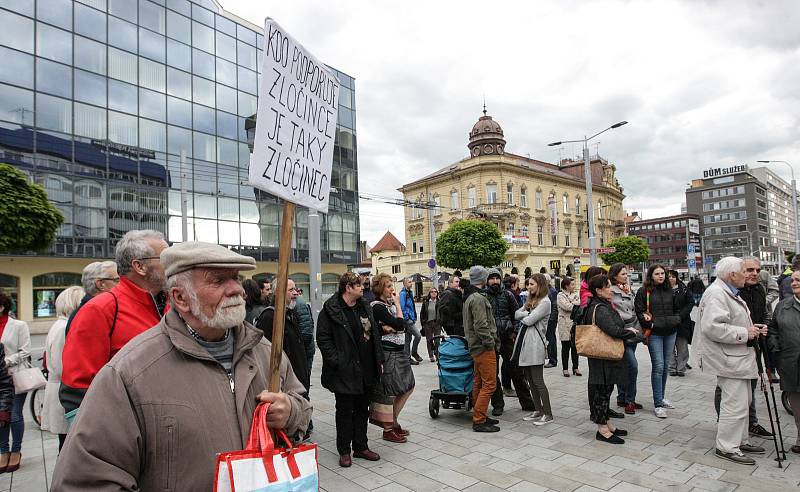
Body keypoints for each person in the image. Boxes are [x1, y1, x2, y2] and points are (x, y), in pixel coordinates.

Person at [51, 242, 312, 489]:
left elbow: (301, 406)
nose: (237, 289)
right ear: (180, 297)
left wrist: (290, 412)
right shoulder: (130, 372)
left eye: (235, 277)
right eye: (219, 280)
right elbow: (87, 478)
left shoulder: (263, 350)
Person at [60, 230, 170, 416]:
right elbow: (77, 387)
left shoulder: (174, 304)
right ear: (139, 266)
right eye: (165, 257)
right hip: (124, 426)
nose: (173, 263)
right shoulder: (101, 309)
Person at [691, 256, 766, 465]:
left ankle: (739, 440)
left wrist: (753, 329)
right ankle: (727, 446)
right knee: (734, 404)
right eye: (744, 271)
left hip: (736, 357)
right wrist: (745, 333)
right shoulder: (717, 293)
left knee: (743, 402)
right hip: (728, 358)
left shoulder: (727, 291)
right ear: (732, 275)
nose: (747, 276)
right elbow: (713, 327)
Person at [317, 272, 383, 468]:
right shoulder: (330, 310)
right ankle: (344, 451)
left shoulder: (364, 306)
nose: (363, 288)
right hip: (344, 371)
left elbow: (374, 334)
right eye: (359, 285)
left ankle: (361, 447)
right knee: (345, 411)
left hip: (366, 369)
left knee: (363, 409)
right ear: (348, 288)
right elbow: (323, 338)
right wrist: (337, 361)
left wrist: (378, 359)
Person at [712, 257, 774, 438]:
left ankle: (749, 422)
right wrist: (745, 332)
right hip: (734, 347)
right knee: (727, 388)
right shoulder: (731, 292)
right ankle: (725, 422)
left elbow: (763, 313)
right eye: (749, 270)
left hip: (754, 344)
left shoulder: (759, 289)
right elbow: (717, 325)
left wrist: (764, 326)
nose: (754, 273)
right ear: (738, 272)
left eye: (757, 269)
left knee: (751, 385)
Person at [584, 274, 636, 444]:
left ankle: (607, 423)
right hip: (602, 358)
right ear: (598, 290)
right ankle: (602, 429)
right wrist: (630, 332)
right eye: (607, 286)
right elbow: (613, 330)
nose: (610, 289)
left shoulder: (602, 304)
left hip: (605, 357)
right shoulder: (599, 308)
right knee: (601, 393)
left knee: (606, 391)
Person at [634, 264, 690, 418]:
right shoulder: (643, 291)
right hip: (655, 334)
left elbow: (680, 308)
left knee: (665, 366)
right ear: (651, 275)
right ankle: (658, 403)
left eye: (662, 273)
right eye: (657, 273)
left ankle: (661, 397)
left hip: (671, 332)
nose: (661, 276)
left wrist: (677, 319)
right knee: (658, 366)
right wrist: (649, 324)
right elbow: (639, 310)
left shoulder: (669, 290)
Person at [369, 274, 415, 444]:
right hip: (389, 354)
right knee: (391, 390)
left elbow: (397, 326)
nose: (392, 289)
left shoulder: (386, 305)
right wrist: (397, 305)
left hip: (399, 352)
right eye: (388, 286)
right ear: (381, 288)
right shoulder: (378, 306)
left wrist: (394, 324)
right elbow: (400, 325)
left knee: (408, 386)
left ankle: (393, 422)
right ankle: (389, 428)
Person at [41, 286, 84, 451]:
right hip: (62, 391)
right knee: (66, 447)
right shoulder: (63, 328)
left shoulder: (59, 325)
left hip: (59, 389)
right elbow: (62, 365)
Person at [486, 268, 534, 412]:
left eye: (497, 278)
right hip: (492, 340)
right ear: (487, 281)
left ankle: (527, 403)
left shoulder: (508, 295)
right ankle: (498, 405)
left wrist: (515, 332)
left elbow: (517, 315)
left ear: (500, 279)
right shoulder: (484, 296)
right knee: (493, 374)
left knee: (517, 372)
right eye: (492, 278)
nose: (495, 281)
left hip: (507, 338)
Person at [256, 278, 310, 397]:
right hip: (285, 387)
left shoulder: (290, 313)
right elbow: (267, 355)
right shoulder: (269, 317)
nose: (296, 293)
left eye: (295, 289)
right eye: (291, 290)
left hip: (298, 380)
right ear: (278, 292)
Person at [463, 266, 501, 432]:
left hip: (476, 347)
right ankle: (479, 420)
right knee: (490, 384)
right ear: (482, 279)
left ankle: (480, 415)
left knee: (479, 382)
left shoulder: (470, 296)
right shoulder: (478, 298)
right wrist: (490, 343)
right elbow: (480, 325)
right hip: (483, 347)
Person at [767, 269, 800, 454]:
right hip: (790, 363)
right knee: (797, 407)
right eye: (793, 280)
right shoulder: (783, 306)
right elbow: (773, 329)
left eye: (798, 280)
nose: (793, 283)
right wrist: (776, 348)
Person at [513, 274, 553, 425]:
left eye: (531, 284)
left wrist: (526, 315)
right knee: (530, 379)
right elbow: (517, 313)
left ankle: (548, 413)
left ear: (540, 285)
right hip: (526, 343)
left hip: (536, 344)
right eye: (528, 284)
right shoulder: (531, 300)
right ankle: (538, 409)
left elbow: (529, 321)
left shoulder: (545, 302)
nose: (528, 287)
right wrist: (527, 314)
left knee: (538, 380)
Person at [0, 291, 31, 472]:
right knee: (1, 416)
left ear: (2, 307)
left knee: (14, 415)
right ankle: (3, 451)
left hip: (14, 376)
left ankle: (16, 451)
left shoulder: (18, 325)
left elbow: (25, 351)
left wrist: (6, 361)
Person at [609, 263, 644, 415]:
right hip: (622, 332)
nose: (626, 276)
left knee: (625, 366)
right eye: (623, 274)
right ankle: (629, 400)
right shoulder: (610, 290)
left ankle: (622, 396)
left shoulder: (628, 289)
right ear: (615, 275)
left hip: (633, 331)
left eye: (626, 274)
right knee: (632, 366)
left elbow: (634, 308)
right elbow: (612, 312)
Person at [66, 261, 119, 333]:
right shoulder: (92, 314)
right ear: (100, 284)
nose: (120, 284)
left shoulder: (85, 311)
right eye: (116, 280)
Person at [667, 270, 694, 377]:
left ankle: (681, 368)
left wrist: (680, 316)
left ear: (676, 278)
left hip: (682, 322)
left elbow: (690, 303)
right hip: (668, 322)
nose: (671, 279)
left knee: (682, 346)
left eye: (673, 276)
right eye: (668, 277)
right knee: (669, 347)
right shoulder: (662, 290)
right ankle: (672, 368)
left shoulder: (684, 289)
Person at [556, 277, 580, 377]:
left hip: (574, 323)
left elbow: (580, 305)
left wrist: (573, 304)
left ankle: (576, 367)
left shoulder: (576, 294)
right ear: (566, 286)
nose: (574, 286)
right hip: (564, 324)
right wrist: (574, 303)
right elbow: (567, 307)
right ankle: (565, 369)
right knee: (565, 347)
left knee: (575, 347)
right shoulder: (560, 295)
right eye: (572, 284)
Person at [399, 277, 422, 364]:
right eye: (409, 282)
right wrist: (407, 317)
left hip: (411, 318)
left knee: (408, 339)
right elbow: (402, 307)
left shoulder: (410, 292)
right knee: (418, 335)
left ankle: (407, 358)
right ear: (404, 284)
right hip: (407, 320)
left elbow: (412, 305)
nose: (411, 283)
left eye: (411, 282)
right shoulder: (403, 294)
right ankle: (414, 352)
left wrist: (414, 316)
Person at [294, 291, 316, 377]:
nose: (295, 293)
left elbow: (307, 332)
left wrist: (299, 350)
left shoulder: (299, 304)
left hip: (304, 352)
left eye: (293, 289)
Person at [420, 288, 442, 362]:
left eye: (435, 292)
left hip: (437, 323)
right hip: (428, 324)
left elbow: (442, 312)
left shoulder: (439, 302)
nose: (433, 293)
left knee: (437, 340)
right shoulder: (426, 302)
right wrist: (423, 323)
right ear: (429, 293)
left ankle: (437, 355)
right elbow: (422, 313)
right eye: (432, 292)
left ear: (437, 293)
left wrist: (441, 321)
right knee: (429, 340)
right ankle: (431, 355)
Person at [544, 274, 559, 367]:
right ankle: (549, 358)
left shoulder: (552, 291)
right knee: (548, 339)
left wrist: (551, 319)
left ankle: (553, 360)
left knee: (551, 339)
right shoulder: (545, 290)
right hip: (546, 319)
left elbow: (554, 306)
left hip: (550, 320)